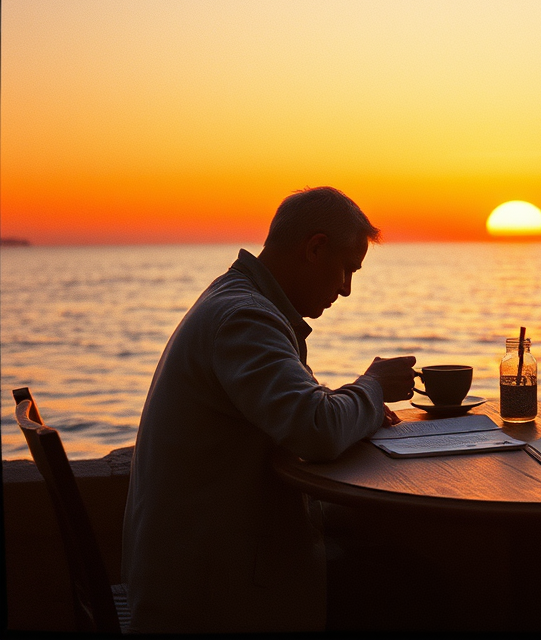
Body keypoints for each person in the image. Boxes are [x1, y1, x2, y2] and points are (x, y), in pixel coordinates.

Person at [121, 186, 416, 633]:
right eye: (347, 270)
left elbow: (301, 409)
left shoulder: (240, 301)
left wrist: (351, 402)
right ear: (316, 248)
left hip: (204, 560)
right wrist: (371, 389)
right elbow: (315, 429)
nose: (347, 290)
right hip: (210, 595)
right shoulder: (245, 318)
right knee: (412, 586)